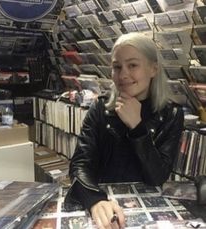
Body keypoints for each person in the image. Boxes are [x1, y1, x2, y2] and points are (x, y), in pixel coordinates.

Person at [64, 32, 184, 229]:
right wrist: (95, 200)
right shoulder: (100, 108)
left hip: (149, 211)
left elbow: (157, 177)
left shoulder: (171, 115)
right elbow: (80, 164)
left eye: (133, 65)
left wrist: (137, 128)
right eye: (117, 67)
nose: (123, 75)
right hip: (104, 202)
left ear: (153, 69)